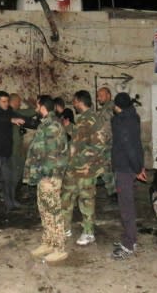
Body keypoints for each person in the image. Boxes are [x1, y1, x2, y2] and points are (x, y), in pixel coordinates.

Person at [60, 90, 109, 246]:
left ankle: (89, 233)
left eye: (74, 101)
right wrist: (69, 128)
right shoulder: (81, 120)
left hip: (86, 169)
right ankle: (65, 228)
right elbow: (79, 138)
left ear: (79, 101)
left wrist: (82, 158)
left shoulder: (95, 119)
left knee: (86, 201)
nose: (73, 105)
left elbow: (99, 145)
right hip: (73, 168)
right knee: (66, 198)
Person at [24, 95, 69, 263]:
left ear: (41, 106)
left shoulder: (52, 125)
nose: (35, 107)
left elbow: (51, 154)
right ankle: (48, 242)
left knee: (54, 211)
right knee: (45, 211)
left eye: (36, 104)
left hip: (50, 176)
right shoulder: (46, 124)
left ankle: (59, 248)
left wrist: (48, 176)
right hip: (43, 176)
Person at [110, 93, 146, 260]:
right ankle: (128, 238)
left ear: (117, 106)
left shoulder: (121, 122)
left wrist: (137, 168)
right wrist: (139, 166)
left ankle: (129, 244)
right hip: (131, 166)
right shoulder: (133, 117)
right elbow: (137, 144)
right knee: (127, 204)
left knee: (126, 206)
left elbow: (129, 146)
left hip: (125, 168)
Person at [8, 93, 36, 203]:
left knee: (18, 173)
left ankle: (13, 197)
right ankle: (12, 199)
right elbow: (30, 112)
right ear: (14, 102)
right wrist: (35, 106)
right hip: (13, 150)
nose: (20, 104)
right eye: (19, 102)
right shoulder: (12, 112)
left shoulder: (10, 113)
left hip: (15, 149)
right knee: (16, 174)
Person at [95, 87, 116, 198]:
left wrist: (101, 143)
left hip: (107, 144)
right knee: (108, 169)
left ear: (108, 95)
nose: (98, 98)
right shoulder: (106, 108)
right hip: (106, 144)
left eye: (101, 95)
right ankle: (113, 191)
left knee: (108, 169)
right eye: (98, 96)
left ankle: (113, 192)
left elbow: (107, 129)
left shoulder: (109, 109)